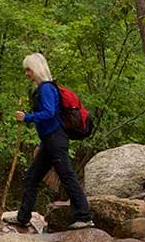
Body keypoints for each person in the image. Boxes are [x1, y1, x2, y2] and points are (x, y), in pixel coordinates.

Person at [5, 53, 94, 231]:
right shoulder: (44, 88)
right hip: (49, 140)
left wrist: (27, 117)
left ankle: (84, 217)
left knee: (67, 176)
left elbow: (49, 112)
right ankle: (23, 217)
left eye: (28, 70)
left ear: (36, 69)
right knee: (32, 176)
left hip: (55, 140)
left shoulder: (46, 88)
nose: (26, 74)